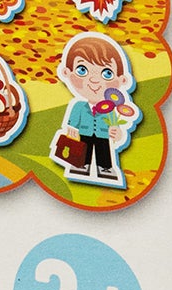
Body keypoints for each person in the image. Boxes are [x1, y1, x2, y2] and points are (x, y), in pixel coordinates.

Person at [52, 32, 139, 186]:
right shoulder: (78, 105)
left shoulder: (110, 108)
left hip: (103, 134)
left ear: (122, 80)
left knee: (103, 150)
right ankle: (81, 165)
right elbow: (73, 120)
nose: (94, 79)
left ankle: (105, 168)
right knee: (83, 150)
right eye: (82, 70)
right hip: (83, 133)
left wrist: (117, 133)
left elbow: (114, 123)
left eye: (107, 74)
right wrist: (71, 128)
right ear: (67, 73)